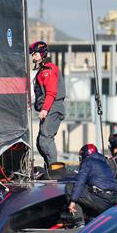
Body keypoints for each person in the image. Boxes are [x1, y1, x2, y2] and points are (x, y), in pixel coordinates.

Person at [30, 41, 66, 169]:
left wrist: (44, 109)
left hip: (52, 107)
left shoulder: (48, 70)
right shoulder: (43, 70)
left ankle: (54, 170)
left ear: (42, 54)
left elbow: (51, 92)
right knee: (40, 143)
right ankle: (48, 168)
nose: (33, 57)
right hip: (49, 107)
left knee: (45, 139)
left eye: (35, 54)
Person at [67, 144, 117, 226]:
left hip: (100, 199)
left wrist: (73, 201)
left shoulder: (87, 162)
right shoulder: (105, 162)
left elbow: (80, 183)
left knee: (70, 187)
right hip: (113, 199)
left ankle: (79, 222)